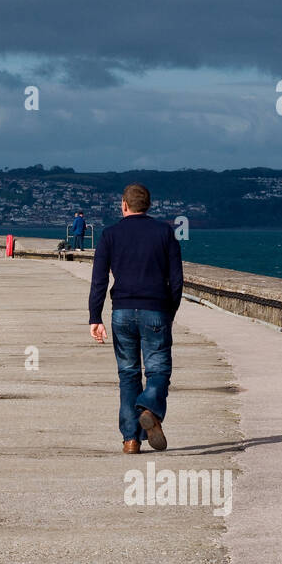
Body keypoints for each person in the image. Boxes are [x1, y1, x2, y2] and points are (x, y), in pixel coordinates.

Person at [88, 183, 183, 454]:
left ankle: (131, 440)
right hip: (156, 310)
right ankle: (150, 408)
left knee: (128, 375)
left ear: (124, 205)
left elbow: (99, 281)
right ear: (148, 206)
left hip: (122, 312)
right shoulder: (164, 232)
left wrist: (95, 317)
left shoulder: (110, 234)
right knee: (158, 371)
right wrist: (170, 311)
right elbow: (176, 280)